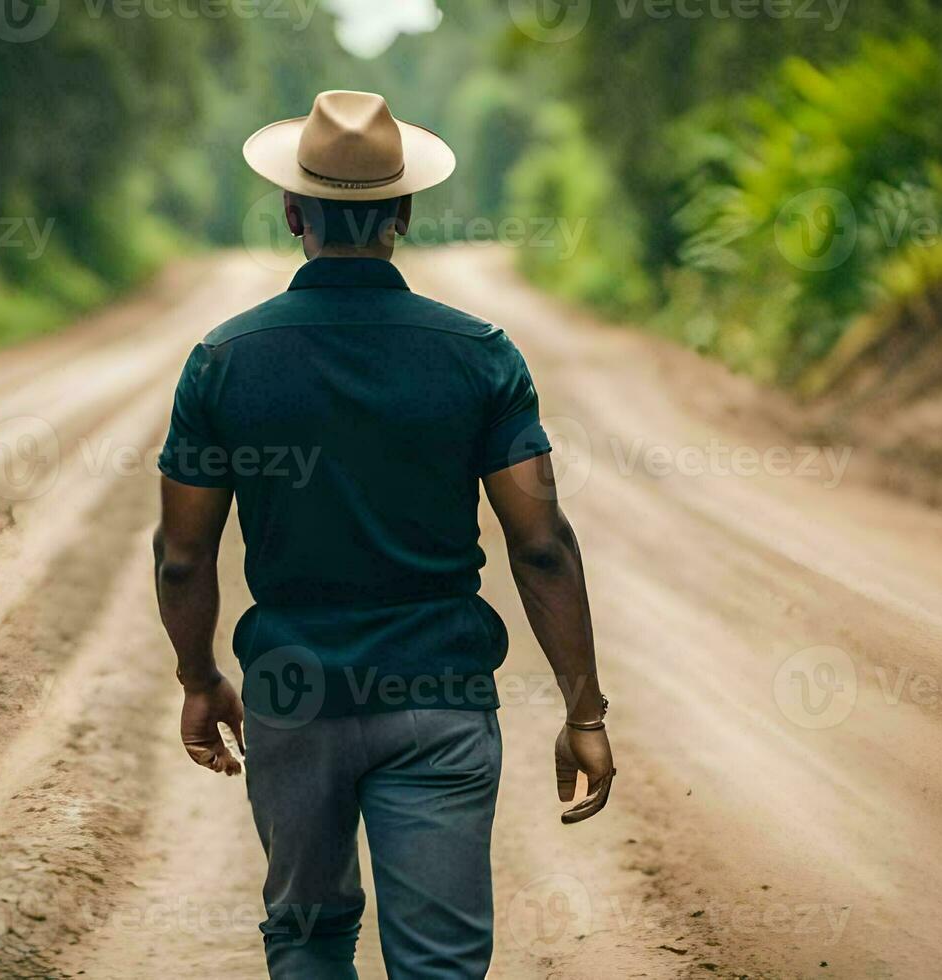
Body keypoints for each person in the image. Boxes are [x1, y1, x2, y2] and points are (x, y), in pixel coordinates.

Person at [153, 90, 614, 980]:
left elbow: (182, 555)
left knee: (308, 942)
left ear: (292, 212)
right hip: (437, 697)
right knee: (439, 965)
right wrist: (583, 709)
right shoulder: (478, 354)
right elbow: (542, 543)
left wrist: (201, 678)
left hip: (293, 692)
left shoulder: (224, 361)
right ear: (402, 212)